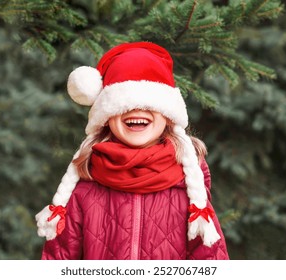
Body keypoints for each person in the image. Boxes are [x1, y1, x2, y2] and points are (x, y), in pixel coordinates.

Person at [35, 42, 229, 260]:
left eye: (150, 103)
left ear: (168, 115)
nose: (136, 109)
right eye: (123, 104)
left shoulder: (190, 189)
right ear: (106, 118)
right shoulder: (84, 185)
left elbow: (210, 259)